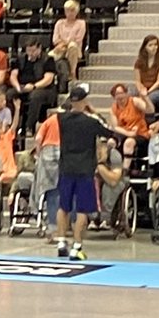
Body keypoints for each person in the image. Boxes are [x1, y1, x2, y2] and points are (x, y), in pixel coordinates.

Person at [54, 85, 111, 260]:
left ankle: (61, 242)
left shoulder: (61, 119)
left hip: (66, 168)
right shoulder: (91, 122)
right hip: (84, 170)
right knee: (82, 210)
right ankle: (76, 246)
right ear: (85, 101)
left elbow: (60, 112)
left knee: (63, 206)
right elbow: (108, 130)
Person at [11, 37, 58, 134]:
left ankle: (29, 126)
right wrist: (17, 87)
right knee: (9, 94)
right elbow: (13, 76)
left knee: (35, 96)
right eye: (28, 50)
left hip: (44, 89)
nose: (30, 53)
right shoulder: (20, 59)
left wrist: (34, 86)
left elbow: (48, 79)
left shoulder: (48, 59)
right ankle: (10, 125)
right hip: (23, 86)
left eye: (33, 51)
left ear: (39, 48)